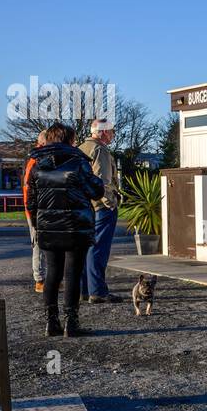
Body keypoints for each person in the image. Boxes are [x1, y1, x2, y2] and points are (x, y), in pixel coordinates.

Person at [26, 123, 105, 337]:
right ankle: (72, 323)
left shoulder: (37, 164)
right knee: (72, 274)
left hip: (49, 227)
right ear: (70, 140)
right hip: (75, 226)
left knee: (52, 274)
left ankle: (51, 323)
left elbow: (31, 201)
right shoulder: (79, 162)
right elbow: (96, 191)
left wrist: (38, 222)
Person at [79, 118, 120, 304]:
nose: (113, 135)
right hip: (101, 206)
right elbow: (102, 180)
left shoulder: (81, 148)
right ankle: (98, 291)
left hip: (84, 205)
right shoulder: (100, 150)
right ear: (103, 132)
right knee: (99, 249)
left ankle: (85, 290)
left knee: (86, 248)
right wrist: (110, 202)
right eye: (111, 131)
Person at [22, 130, 47, 292]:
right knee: (38, 244)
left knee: (40, 244)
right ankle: (39, 280)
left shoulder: (35, 159)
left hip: (35, 208)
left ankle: (43, 279)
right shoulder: (37, 160)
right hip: (36, 210)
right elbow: (30, 189)